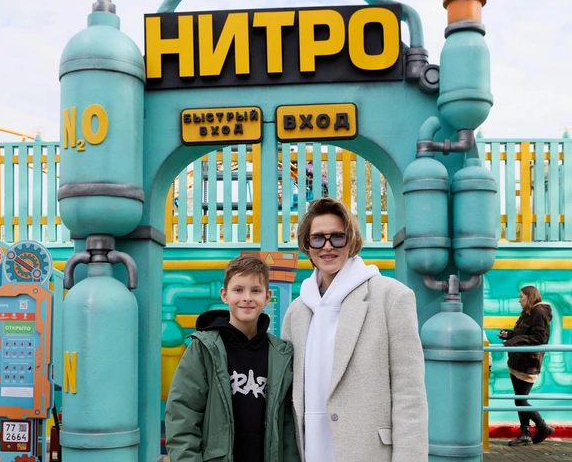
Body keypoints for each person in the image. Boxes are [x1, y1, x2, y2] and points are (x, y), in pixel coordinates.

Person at [282, 197, 428, 462]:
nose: (327, 246)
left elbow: (410, 394)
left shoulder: (391, 297)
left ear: (352, 241)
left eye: (338, 237)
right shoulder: (297, 312)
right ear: (307, 245)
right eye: (318, 238)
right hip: (309, 451)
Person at [165, 254, 299, 462]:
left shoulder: (280, 355)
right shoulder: (204, 349)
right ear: (224, 295)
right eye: (238, 290)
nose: (247, 297)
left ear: (267, 297)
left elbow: (288, 425)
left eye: (255, 290)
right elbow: (183, 416)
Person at [498, 285, 554, 446]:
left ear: (530, 297)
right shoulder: (529, 313)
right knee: (519, 399)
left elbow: (540, 338)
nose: (519, 300)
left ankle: (542, 427)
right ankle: (525, 433)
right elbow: (524, 334)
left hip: (528, 363)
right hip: (517, 362)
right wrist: (509, 334)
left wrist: (515, 340)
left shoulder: (540, 313)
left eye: (521, 297)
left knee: (521, 400)